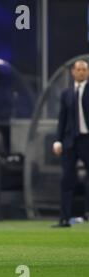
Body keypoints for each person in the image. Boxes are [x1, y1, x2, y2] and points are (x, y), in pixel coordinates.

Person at [53, 60, 89, 227]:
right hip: (70, 140)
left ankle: (87, 214)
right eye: (79, 69)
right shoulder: (66, 94)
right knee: (67, 178)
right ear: (73, 72)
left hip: (87, 139)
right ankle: (65, 218)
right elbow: (62, 119)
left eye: (84, 69)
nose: (81, 72)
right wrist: (58, 140)